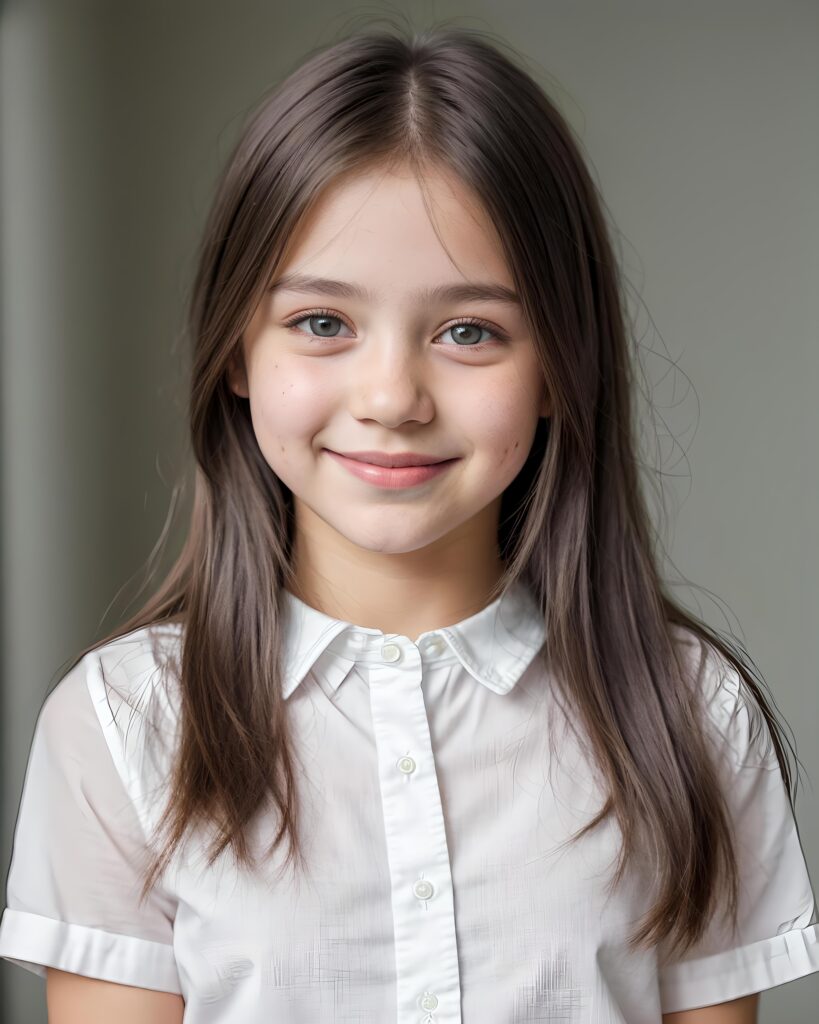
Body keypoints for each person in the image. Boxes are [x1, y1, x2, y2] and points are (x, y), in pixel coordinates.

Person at [1, 21, 817, 1024]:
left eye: (469, 331)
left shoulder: (688, 718)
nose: (392, 395)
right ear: (237, 354)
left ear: (563, 362)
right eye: (322, 324)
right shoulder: (123, 727)